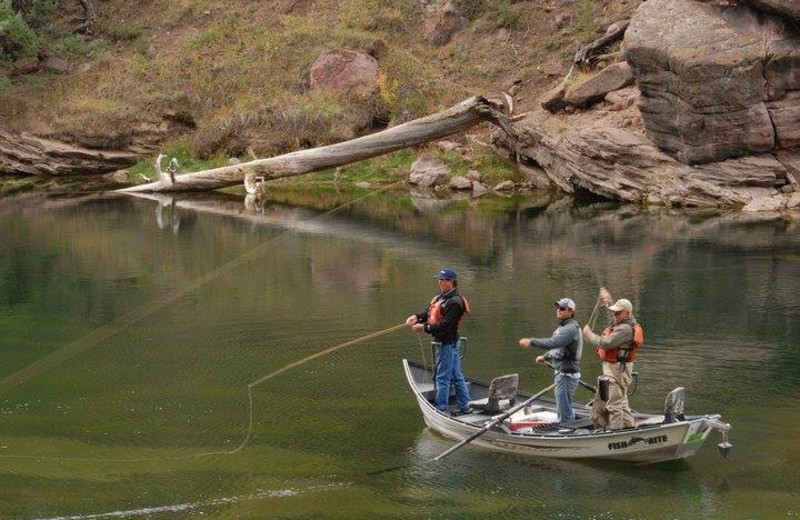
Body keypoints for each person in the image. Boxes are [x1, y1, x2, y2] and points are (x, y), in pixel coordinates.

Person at [406, 267, 472, 415]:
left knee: (443, 377)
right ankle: (465, 406)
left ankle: (441, 409)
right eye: (439, 280)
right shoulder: (440, 297)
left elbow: (445, 326)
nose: (439, 283)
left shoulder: (455, 302)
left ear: (451, 281)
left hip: (448, 343)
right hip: (447, 343)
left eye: (442, 280)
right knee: (456, 375)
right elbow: (429, 311)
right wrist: (417, 317)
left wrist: (423, 328)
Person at [582, 288, 644, 430]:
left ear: (627, 313)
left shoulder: (625, 329)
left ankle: (615, 431)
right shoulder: (623, 323)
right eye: (614, 312)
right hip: (619, 368)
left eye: (618, 312)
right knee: (621, 401)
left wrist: (589, 334)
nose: (614, 315)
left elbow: (605, 343)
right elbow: (613, 319)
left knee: (613, 402)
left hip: (617, 370)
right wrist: (607, 300)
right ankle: (628, 426)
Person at [518, 298, 582, 423]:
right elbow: (559, 347)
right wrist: (545, 357)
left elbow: (554, 342)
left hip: (566, 376)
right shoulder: (565, 327)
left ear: (571, 311)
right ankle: (570, 425)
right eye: (558, 308)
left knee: (564, 412)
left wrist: (531, 341)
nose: (559, 310)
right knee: (565, 406)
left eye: (562, 308)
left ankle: (567, 432)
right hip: (563, 375)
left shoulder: (570, 329)